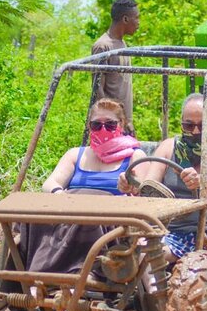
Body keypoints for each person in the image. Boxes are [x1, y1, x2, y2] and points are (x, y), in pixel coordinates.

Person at [16, 98, 148, 278]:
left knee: (86, 222)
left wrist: (129, 185)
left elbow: (141, 189)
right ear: (89, 126)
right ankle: (29, 277)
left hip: (109, 219)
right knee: (30, 218)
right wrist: (59, 194)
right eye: (96, 125)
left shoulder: (134, 156)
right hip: (71, 211)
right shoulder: (76, 154)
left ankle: (75, 274)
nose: (103, 130)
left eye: (110, 125)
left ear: (121, 124)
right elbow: (49, 183)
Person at [118, 93, 207, 264]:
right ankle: (153, 290)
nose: (196, 131)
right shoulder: (168, 147)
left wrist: (200, 181)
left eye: (202, 126)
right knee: (140, 251)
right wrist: (130, 183)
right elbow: (148, 186)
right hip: (173, 234)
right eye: (189, 125)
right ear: (182, 123)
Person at [91, 0, 139, 136]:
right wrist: (112, 121)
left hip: (124, 122)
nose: (138, 23)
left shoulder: (122, 44)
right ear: (125, 19)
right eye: (136, 18)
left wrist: (127, 121)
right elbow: (98, 91)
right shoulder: (103, 46)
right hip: (110, 125)